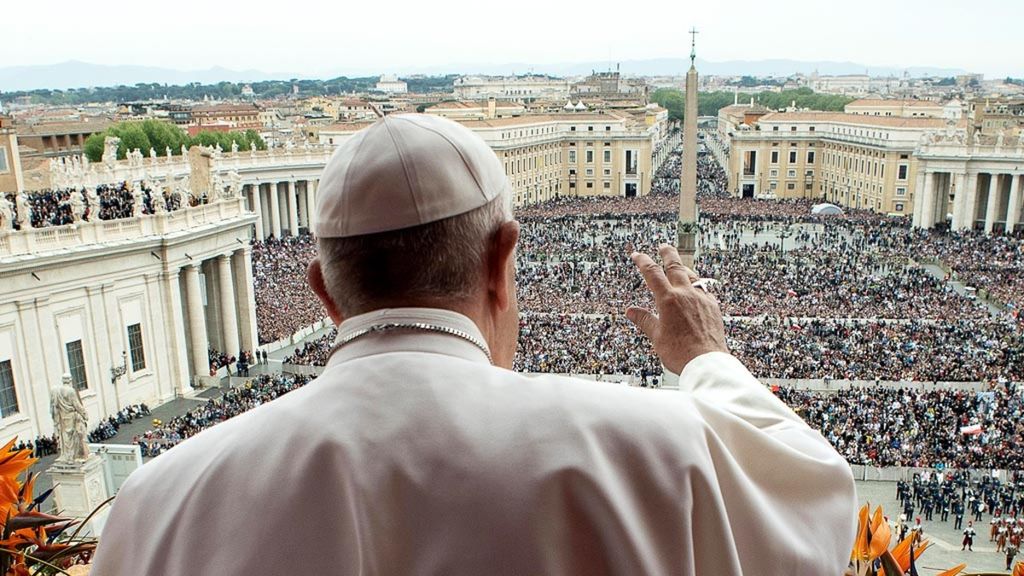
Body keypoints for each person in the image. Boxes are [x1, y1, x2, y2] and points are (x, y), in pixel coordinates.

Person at [93, 114, 857, 575]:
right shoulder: (656, 449)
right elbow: (816, 501)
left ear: (323, 293)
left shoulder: (156, 505)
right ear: (502, 261)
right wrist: (705, 358)